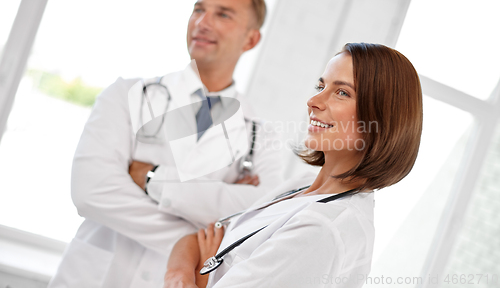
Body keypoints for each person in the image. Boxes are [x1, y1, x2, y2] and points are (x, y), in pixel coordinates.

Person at [48, 0, 284, 288]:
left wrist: (151, 179)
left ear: (251, 39)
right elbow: (91, 192)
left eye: (223, 14)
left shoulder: (261, 137)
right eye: (198, 9)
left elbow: (257, 221)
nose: (202, 21)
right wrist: (193, 241)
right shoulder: (126, 96)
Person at [163, 42, 423, 288]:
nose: (314, 101)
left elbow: (209, 251)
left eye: (342, 92)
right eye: (320, 86)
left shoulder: (324, 229)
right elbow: (198, 239)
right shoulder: (301, 187)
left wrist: (201, 272)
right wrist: (182, 274)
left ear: (381, 117)